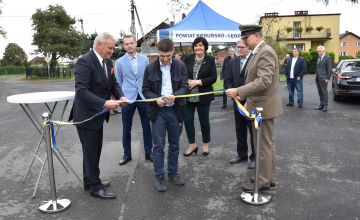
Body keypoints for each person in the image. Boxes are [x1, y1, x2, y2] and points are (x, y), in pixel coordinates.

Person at [70, 32, 128, 199]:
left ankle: (90, 180)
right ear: (99, 45)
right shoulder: (84, 61)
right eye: (109, 48)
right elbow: (81, 91)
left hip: (98, 116)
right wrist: (104, 103)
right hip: (86, 116)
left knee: (93, 150)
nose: (112, 51)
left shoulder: (108, 62)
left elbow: (113, 84)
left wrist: (120, 96)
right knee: (91, 151)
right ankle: (95, 187)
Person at [226, 24, 283, 192]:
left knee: (263, 146)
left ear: (256, 36)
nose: (244, 41)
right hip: (261, 105)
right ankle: (267, 177)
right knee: (267, 144)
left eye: (246, 38)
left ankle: (263, 181)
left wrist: (239, 91)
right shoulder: (259, 51)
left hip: (262, 108)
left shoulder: (264, 51)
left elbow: (264, 81)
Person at [142, 39, 189, 192]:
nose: (165, 59)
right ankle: (159, 177)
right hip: (158, 112)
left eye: (168, 55)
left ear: (173, 51)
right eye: (162, 56)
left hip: (176, 110)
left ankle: (173, 173)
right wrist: (156, 99)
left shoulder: (180, 66)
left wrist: (176, 95)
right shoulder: (150, 68)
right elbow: (145, 90)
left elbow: (185, 87)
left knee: (175, 144)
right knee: (158, 146)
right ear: (158, 52)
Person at [115, 35, 153, 166]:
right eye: (126, 44)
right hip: (127, 98)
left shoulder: (145, 59)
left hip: (143, 97)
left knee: (147, 126)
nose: (129, 45)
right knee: (126, 127)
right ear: (123, 46)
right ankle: (127, 154)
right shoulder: (119, 62)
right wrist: (121, 96)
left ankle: (149, 153)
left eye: (131, 43)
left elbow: (147, 78)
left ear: (136, 43)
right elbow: (118, 81)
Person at [183, 37, 217, 157]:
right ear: (193, 47)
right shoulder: (187, 59)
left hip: (203, 96)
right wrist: (187, 81)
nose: (198, 47)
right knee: (187, 121)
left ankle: (205, 145)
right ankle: (192, 145)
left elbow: (213, 78)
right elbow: (182, 73)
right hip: (188, 96)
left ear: (205, 47)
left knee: (204, 121)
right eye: (196, 45)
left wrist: (198, 82)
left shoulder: (210, 60)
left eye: (201, 45)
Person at [225, 40, 255, 169]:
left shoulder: (254, 61)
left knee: (253, 130)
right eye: (238, 47)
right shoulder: (233, 62)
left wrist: (248, 98)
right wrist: (231, 93)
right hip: (237, 102)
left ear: (248, 47)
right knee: (240, 129)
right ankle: (242, 154)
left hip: (252, 102)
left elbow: (257, 83)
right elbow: (228, 80)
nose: (239, 50)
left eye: (242, 47)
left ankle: (254, 157)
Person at [314, 45, 332, 112]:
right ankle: (321, 105)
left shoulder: (327, 58)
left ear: (323, 51)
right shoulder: (319, 57)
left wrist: (327, 78)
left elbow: (329, 69)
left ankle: (325, 106)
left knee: (324, 93)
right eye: (317, 51)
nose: (318, 52)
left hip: (324, 78)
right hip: (318, 78)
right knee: (320, 92)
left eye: (319, 51)